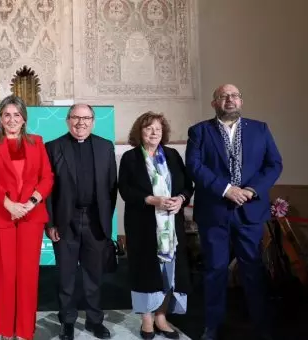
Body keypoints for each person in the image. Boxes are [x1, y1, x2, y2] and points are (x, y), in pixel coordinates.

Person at [186, 84, 282, 340]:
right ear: (214, 103)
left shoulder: (260, 129)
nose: (230, 99)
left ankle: (262, 325)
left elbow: (274, 164)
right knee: (215, 270)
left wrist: (251, 190)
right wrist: (226, 189)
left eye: (235, 95)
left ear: (241, 101)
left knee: (253, 269)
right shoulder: (199, 132)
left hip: (249, 211)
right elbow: (194, 166)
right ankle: (212, 325)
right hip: (214, 212)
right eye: (223, 96)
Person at [0, 95, 54, 340]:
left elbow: (47, 178)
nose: (12, 120)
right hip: (2, 214)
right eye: (7, 115)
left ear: (24, 119)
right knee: (4, 274)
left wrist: (31, 202)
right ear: (0, 119)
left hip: (31, 216)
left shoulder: (37, 142)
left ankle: (24, 330)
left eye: (17, 115)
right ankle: (6, 330)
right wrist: (9, 204)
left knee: (28, 275)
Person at [118, 112, 194, 340]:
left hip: (172, 226)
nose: (154, 133)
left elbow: (187, 186)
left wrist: (180, 199)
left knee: (170, 271)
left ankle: (162, 316)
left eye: (158, 129)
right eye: (149, 128)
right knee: (145, 270)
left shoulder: (172, 155)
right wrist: (152, 200)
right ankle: (147, 319)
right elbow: (125, 189)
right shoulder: (130, 158)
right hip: (143, 225)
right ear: (139, 132)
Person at [45, 104, 117, 340]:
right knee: (65, 275)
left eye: (86, 118)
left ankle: (95, 321)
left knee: (93, 275)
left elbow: (111, 188)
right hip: (65, 221)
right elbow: (47, 190)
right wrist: (50, 223)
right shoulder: (53, 147)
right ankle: (67, 321)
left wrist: (106, 220)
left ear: (93, 122)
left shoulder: (106, 147)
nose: (80, 123)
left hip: (95, 220)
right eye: (75, 117)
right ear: (67, 121)